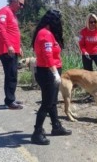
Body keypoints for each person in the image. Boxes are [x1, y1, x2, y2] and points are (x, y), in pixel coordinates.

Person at [31, 9, 72, 145]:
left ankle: (56, 126)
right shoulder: (45, 34)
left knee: (52, 101)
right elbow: (48, 57)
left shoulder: (47, 33)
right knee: (47, 103)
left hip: (49, 70)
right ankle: (37, 133)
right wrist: (55, 73)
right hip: (48, 72)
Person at [0, 0, 24, 109]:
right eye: (20, 4)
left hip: (13, 49)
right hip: (6, 50)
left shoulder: (13, 14)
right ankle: (9, 101)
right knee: (11, 74)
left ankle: (11, 98)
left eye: (23, 5)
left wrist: (19, 47)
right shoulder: (4, 11)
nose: (21, 7)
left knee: (13, 74)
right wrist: (9, 46)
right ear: (13, 1)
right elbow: (2, 30)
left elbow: (14, 32)